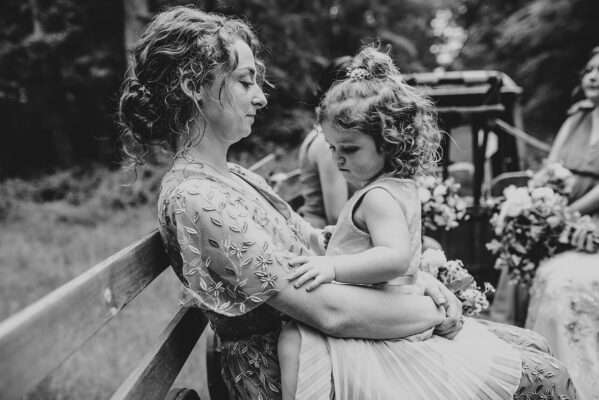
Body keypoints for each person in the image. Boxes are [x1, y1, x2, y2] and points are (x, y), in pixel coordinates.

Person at [118, 6, 577, 400]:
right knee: (542, 378)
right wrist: (431, 308)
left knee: (532, 350)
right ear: (193, 86)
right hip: (294, 371)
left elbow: (322, 246)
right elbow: (327, 311)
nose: (260, 96)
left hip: (326, 344)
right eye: (244, 81)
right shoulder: (197, 196)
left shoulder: (230, 178)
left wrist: (419, 278)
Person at [277, 46, 572, 400]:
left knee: (293, 340)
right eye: (333, 148)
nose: (338, 159)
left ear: (388, 143)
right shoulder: (397, 188)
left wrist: (332, 266)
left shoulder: (377, 197)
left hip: (383, 317)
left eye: (350, 149)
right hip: (390, 304)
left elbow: (395, 257)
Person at [525, 46, 599, 400]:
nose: (593, 77)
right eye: (589, 70)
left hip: (589, 219)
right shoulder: (575, 119)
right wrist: (539, 199)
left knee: (566, 283)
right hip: (566, 216)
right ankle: (548, 378)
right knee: (540, 271)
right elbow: (551, 168)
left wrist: (568, 215)